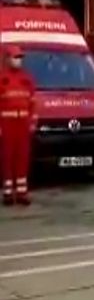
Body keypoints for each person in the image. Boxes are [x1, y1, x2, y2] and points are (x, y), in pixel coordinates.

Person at [0, 45, 36, 206]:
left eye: (20, 58)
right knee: (7, 158)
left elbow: (33, 103)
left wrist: (33, 122)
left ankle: (22, 192)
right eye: (16, 57)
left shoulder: (27, 79)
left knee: (23, 158)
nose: (18, 61)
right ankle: (8, 192)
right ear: (8, 59)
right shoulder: (2, 79)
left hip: (23, 125)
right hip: (7, 126)